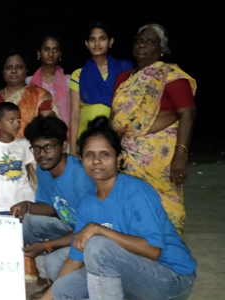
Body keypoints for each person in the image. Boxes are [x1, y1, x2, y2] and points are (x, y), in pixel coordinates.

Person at [40, 116, 196, 300]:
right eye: (90, 155)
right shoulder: (87, 202)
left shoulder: (136, 191)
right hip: (132, 269)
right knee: (60, 278)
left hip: (171, 278)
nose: (96, 161)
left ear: (119, 159)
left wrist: (99, 230)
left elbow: (153, 251)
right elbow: (75, 258)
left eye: (105, 154)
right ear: (82, 161)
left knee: (98, 246)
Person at [111, 24, 197, 235]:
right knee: (130, 208)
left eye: (150, 42)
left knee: (164, 209)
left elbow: (188, 113)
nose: (142, 45)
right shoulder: (123, 79)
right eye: (139, 41)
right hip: (127, 160)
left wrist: (181, 155)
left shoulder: (171, 75)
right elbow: (115, 117)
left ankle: (170, 254)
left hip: (161, 162)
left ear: (162, 50)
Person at [10, 115, 95, 299]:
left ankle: (79, 290)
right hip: (71, 229)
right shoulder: (44, 168)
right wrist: (27, 206)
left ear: (63, 146)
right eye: (36, 148)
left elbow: (89, 231)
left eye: (48, 147)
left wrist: (46, 245)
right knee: (22, 223)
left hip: (92, 237)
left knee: (53, 263)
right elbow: (50, 207)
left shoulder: (80, 176)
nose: (41, 154)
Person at [69, 22, 133, 154]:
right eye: (93, 39)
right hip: (86, 135)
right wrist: (73, 149)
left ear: (111, 42)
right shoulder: (78, 74)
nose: (97, 43)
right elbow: (75, 114)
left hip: (117, 134)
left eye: (102, 38)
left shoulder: (125, 70)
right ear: (86, 44)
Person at [0, 102, 35, 214]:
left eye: (18, 120)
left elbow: (27, 170)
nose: (16, 124)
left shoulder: (25, 144)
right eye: (11, 120)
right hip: (4, 203)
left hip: (26, 200)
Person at [0, 49, 59, 138]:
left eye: (19, 67)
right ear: (3, 71)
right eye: (9, 67)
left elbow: (50, 125)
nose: (14, 71)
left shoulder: (39, 95)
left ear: (26, 70)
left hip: (32, 149)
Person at [28, 35, 71, 142]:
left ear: (60, 54)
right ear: (39, 53)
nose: (51, 54)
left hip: (63, 138)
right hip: (36, 138)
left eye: (55, 50)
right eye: (46, 49)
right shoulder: (29, 82)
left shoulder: (69, 81)